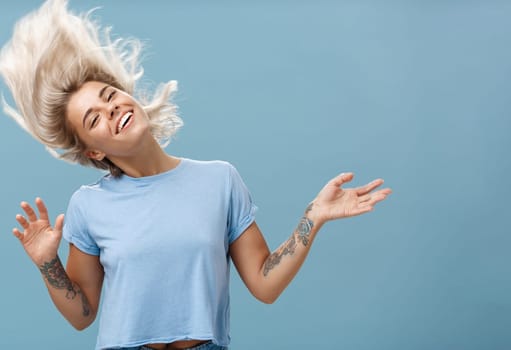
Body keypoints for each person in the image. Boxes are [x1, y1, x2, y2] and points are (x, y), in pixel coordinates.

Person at [0, 1, 391, 349]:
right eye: (94, 119)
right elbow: (82, 315)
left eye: (109, 96)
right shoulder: (88, 205)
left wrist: (313, 218)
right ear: (94, 150)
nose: (111, 110)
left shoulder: (220, 180)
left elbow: (264, 284)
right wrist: (47, 264)